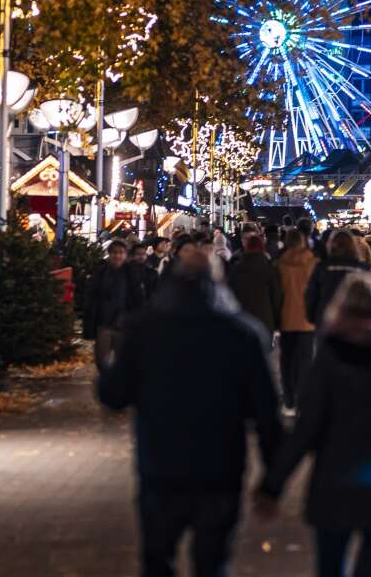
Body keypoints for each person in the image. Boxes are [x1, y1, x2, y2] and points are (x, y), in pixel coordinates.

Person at [97, 246, 283, 577]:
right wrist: (272, 482)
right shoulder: (242, 332)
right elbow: (267, 411)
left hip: (160, 465)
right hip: (221, 468)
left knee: (157, 560)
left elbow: (114, 395)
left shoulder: (144, 328)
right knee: (213, 562)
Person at [257, 274, 371, 577]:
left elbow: (307, 429)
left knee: (331, 566)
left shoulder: (327, 359)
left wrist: (272, 485)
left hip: (334, 483)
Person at [275, 228, 319, 411]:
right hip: (308, 320)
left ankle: (289, 397)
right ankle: (304, 398)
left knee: (286, 360)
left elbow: (276, 293)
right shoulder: (314, 263)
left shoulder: (278, 264)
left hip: (285, 319)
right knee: (306, 361)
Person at [83, 240, 143, 368]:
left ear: (126, 255)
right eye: (114, 253)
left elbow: (138, 298)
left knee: (123, 360)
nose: (117, 256)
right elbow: (92, 297)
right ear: (109, 254)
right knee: (101, 359)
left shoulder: (131, 273)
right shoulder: (101, 272)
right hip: (104, 322)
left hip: (123, 323)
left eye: (121, 253)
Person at [305, 230, 366, 328]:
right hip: (355, 323)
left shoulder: (322, 268)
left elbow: (311, 294)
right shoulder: (361, 269)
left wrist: (312, 317)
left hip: (326, 320)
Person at [227, 231, 283, 336]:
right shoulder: (270, 270)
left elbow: (230, 294)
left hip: (242, 319)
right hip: (265, 318)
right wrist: (277, 320)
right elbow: (276, 296)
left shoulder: (236, 269)